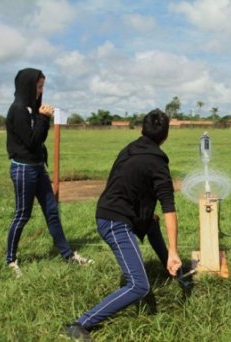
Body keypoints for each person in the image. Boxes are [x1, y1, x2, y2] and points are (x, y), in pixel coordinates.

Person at [64, 109, 182, 340]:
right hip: (113, 220)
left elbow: (130, 186)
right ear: (165, 135)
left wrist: (146, 215)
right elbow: (169, 208)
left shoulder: (130, 149)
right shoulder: (158, 163)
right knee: (139, 286)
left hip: (115, 211)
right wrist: (175, 251)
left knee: (152, 222)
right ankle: (79, 324)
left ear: (142, 130)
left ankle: (174, 273)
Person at [5, 67, 91, 278]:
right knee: (23, 214)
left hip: (37, 168)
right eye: (38, 86)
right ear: (28, 86)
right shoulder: (17, 110)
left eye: (42, 86)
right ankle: (11, 260)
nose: (40, 91)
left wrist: (41, 116)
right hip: (24, 170)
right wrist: (43, 118)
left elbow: (37, 141)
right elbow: (32, 141)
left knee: (52, 211)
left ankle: (67, 255)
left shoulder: (30, 108)